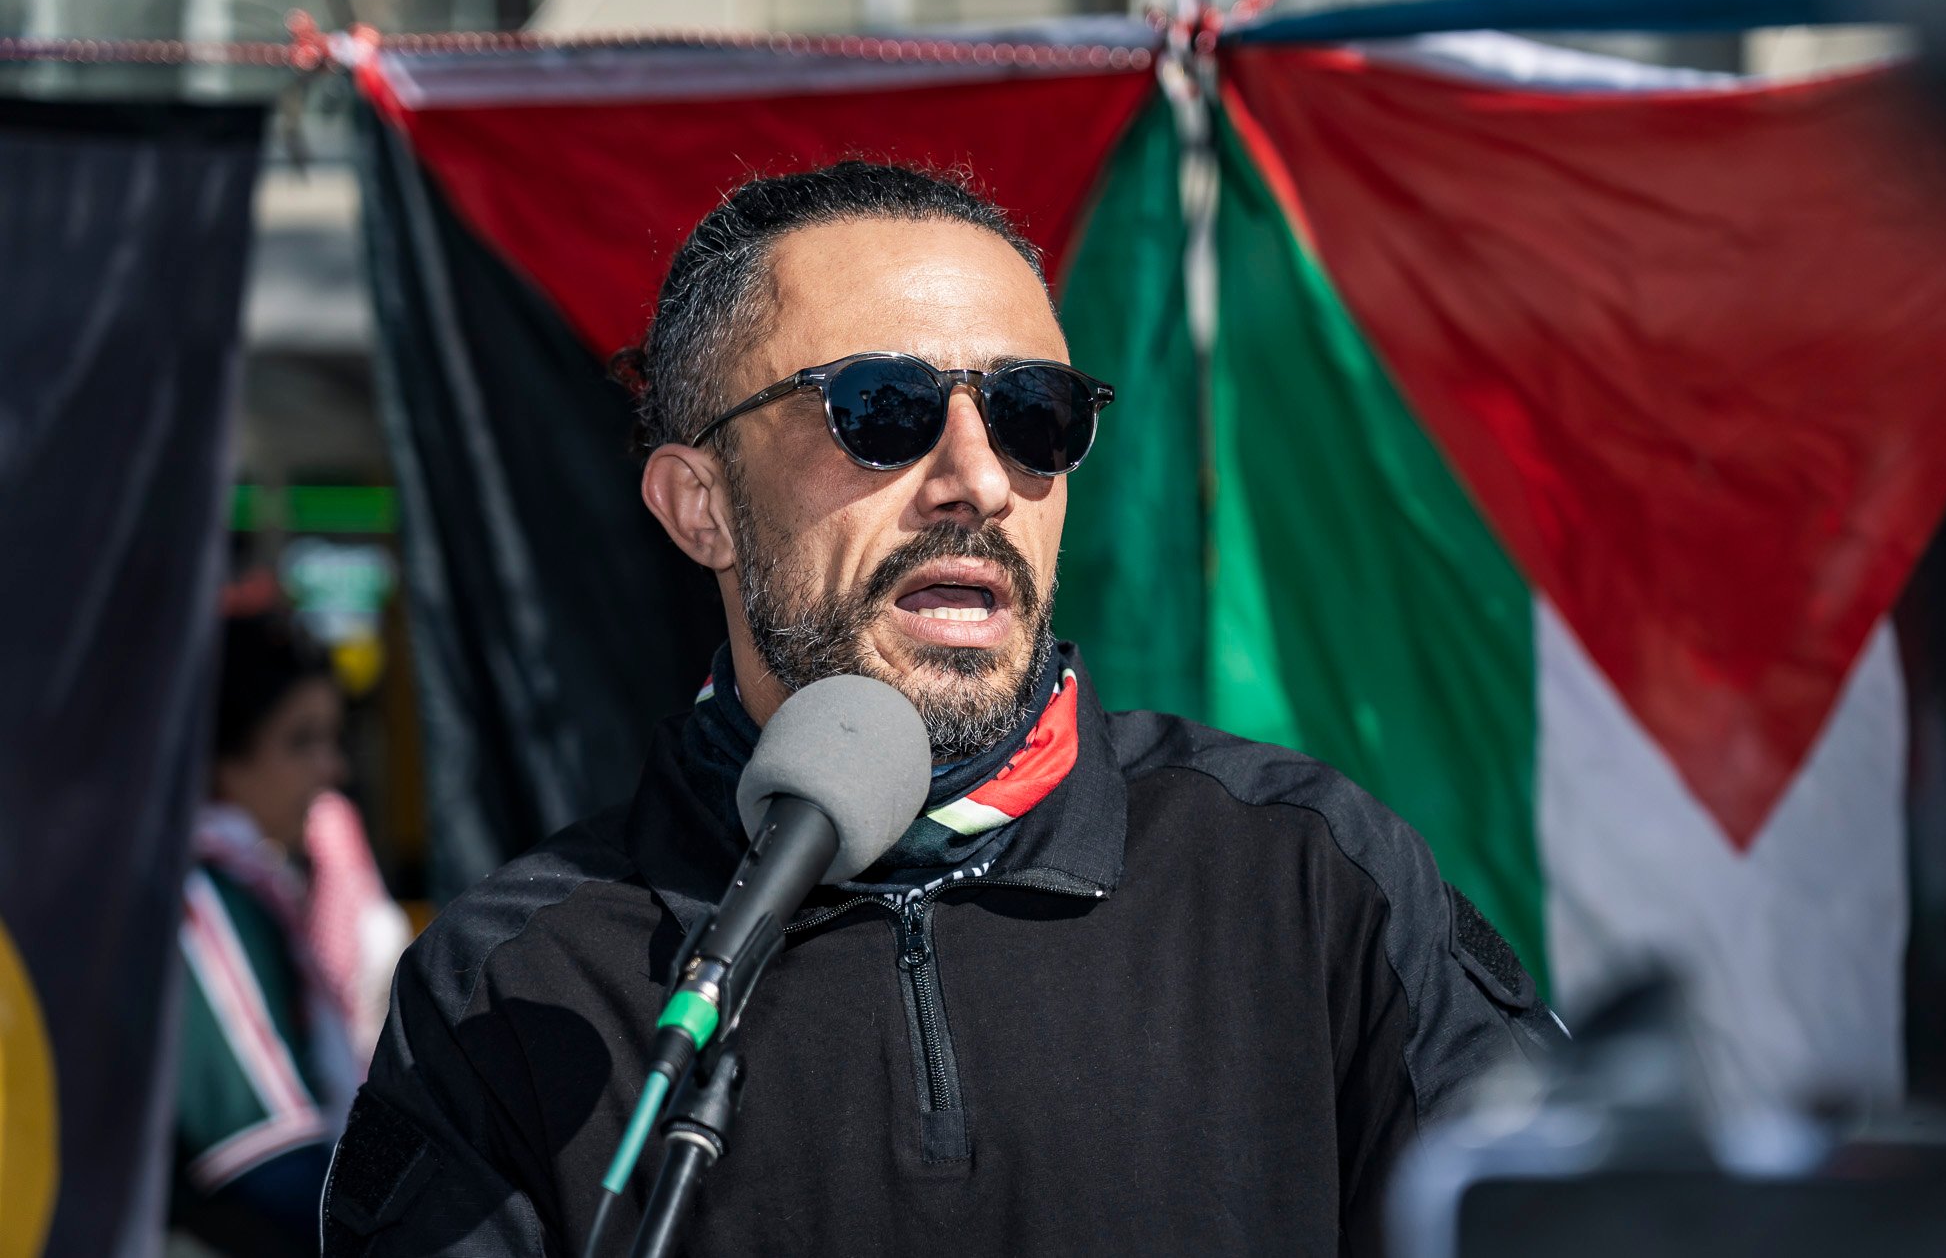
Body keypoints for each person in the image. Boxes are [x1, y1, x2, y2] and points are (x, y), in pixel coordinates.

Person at [323, 162, 1561, 1258]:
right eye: (880, 409)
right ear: (699, 505)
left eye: (1033, 415)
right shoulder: (517, 982)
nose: (977, 480)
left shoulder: (1307, 877)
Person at [174, 614, 408, 1255]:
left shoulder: (254, 884)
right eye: (301, 741)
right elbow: (264, 1156)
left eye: (334, 739)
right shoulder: (200, 896)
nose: (332, 768)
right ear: (223, 758)